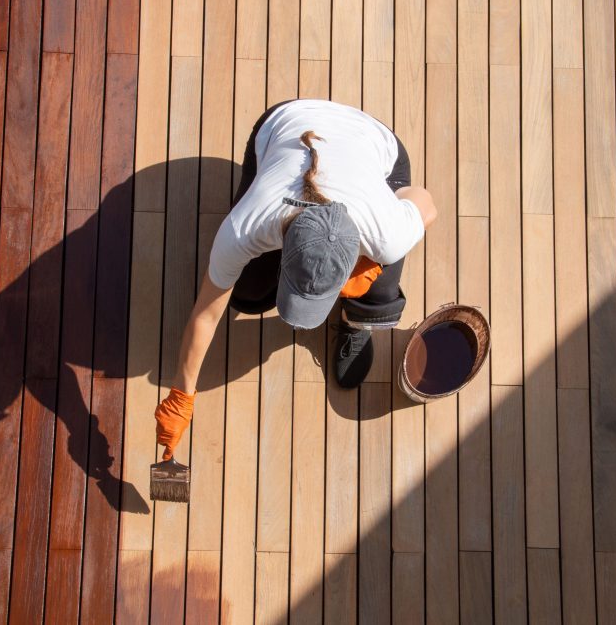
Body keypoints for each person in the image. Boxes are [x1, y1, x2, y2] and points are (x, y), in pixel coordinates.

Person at [154, 99, 438, 461]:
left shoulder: (384, 232)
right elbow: (207, 313)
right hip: (283, 124)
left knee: (380, 287)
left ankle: (356, 322)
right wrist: (181, 394)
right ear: (282, 248)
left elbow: (425, 203)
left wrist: (392, 209)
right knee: (244, 293)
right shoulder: (248, 225)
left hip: (375, 146)